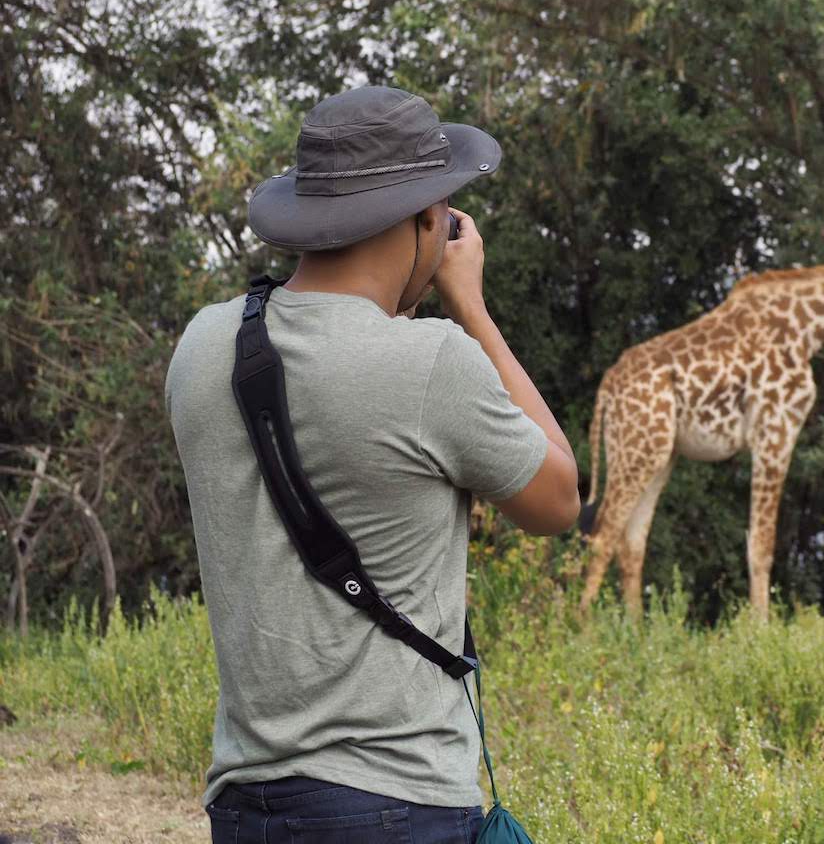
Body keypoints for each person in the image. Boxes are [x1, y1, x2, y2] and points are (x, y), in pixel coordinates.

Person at [164, 85, 579, 844]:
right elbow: (558, 499)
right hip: (396, 804)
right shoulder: (431, 365)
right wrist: (471, 310)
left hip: (243, 807)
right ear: (426, 220)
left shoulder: (201, 347)